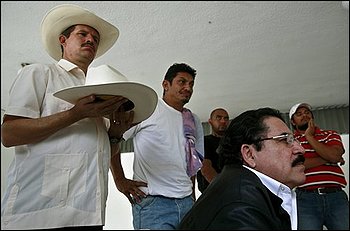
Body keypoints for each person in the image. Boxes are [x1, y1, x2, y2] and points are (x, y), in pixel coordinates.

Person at [1, 4, 133, 230]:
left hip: (89, 215)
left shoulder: (99, 92)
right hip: (37, 214)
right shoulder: (39, 73)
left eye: (95, 37)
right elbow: (9, 134)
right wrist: (76, 114)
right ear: (63, 40)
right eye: (83, 34)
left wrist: (116, 135)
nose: (90, 39)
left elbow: (98, 151)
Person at [110, 63, 205, 230]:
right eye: (182, 82)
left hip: (187, 203)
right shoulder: (148, 109)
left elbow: (192, 164)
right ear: (165, 85)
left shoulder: (193, 120)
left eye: (191, 84)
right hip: (154, 205)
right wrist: (119, 180)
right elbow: (113, 138)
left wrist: (192, 198)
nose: (187, 88)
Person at [179, 107, 306, 230]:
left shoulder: (251, 191)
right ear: (249, 154)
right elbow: (205, 168)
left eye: (294, 140)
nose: (301, 149)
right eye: (284, 140)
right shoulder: (240, 204)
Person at [289, 103, 349, 230]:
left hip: (336, 196)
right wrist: (329, 157)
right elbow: (296, 164)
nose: (304, 115)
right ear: (293, 122)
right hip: (305, 198)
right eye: (299, 114)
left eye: (307, 113)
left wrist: (309, 137)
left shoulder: (330, 134)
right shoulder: (291, 141)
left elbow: (334, 154)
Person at [197, 108, 230, 193]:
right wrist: (223, 189)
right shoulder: (204, 141)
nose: (223, 121)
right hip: (213, 191)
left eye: (226, 118)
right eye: (219, 118)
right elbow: (205, 168)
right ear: (210, 121)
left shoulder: (234, 142)